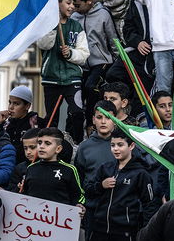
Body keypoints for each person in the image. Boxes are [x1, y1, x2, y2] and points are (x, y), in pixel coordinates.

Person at [37, 0, 89, 143]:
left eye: (73, 3)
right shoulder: (46, 24)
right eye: (68, 3)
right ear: (57, 3)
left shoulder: (76, 26)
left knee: (77, 113)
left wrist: (71, 54)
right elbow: (44, 44)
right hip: (51, 79)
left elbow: (84, 54)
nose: (72, 7)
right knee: (52, 117)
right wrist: (53, 25)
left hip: (72, 79)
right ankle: (51, 146)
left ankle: (77, 145)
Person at [86, 129, 157, 241]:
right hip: (100, 228)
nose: (116, 149)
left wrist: (145, 230)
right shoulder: (106, 168)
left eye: (120, 145)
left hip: (125, 231)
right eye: (112, 145)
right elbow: (88, 190)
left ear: (131, 146)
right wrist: (101, 185)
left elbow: (149, 204)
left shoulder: (140, 173)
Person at [104, 0, 156, 114]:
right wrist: (138, 42)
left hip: (154, 55)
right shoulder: (136, 3)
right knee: (113, 74)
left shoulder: (159, 0)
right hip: (136, 52)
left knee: (145, 86)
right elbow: (128, 29)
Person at [72, 0, 119, 127]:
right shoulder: (74, 17)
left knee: (91, 86)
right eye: (73, 5)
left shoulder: (103, 14)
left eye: (78, 5)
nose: (75, 8)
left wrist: (117, 61)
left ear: (89, 1)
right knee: (78, 95)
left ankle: (92, 124)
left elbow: (113, 39)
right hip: (81, 64)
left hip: (101, 61)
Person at [75, 101, 119, 237]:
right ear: (93, 119)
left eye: (108, 117)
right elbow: (79, 178)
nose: (103, 121)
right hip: (93, 208)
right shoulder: (85, 147)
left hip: (119, 208)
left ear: (115, 120)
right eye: (99, 117)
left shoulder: (122, 144)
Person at [21, 127, 86, 209]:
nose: (41, 146)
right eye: (39, 143)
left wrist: (79, 205)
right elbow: (26, 195)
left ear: (58, 149)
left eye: (47, 143)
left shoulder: (69, 170)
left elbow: (79, 196)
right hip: (34, 217)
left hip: (60, 218)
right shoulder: (31, 168)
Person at [0, 85, 38, 164]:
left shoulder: (34, 123)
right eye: (10, 102)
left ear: (27, 106)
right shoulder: (7, 123)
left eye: (16, 104)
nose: (11, 107)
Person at [5, 128, 40, 193]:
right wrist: (18, 188)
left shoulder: (49, 166)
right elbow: (10, 191)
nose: (28, 152)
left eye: (32, 147)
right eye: (25, 148)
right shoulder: (20, 168)